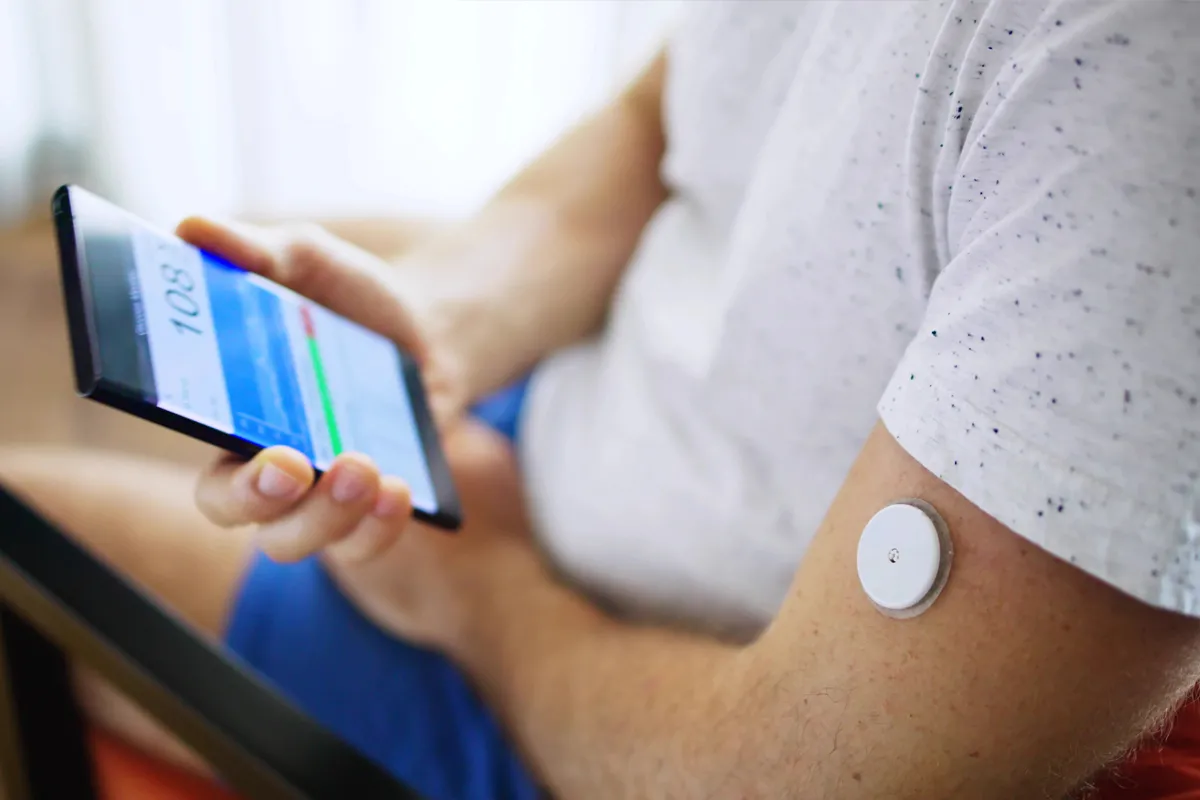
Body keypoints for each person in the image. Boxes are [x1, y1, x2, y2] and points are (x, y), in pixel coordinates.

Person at [4, 1, 1200, 797]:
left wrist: (480, 594)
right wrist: (447, 320)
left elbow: (801, 772)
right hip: (599, 414)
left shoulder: (1141, 108)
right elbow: (663, 120)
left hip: (621, 698)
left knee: (18, 512)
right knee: (180, 312)